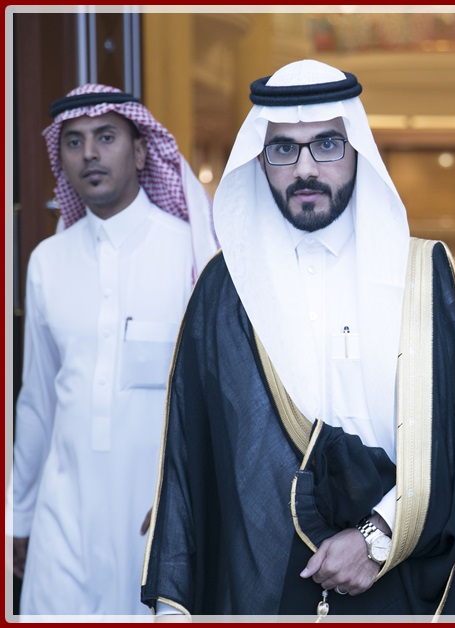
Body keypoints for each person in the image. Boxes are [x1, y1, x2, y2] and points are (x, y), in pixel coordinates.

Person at [140, 59, 455, 617]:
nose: (305, 169)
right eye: (283, 149)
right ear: (259, 160)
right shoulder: (226, 286)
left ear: (357, 149)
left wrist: (376, 538)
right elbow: (191, 454)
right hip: (263, 577)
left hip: (403, 568)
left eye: (327, 145)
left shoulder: (420, 274)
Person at [6, 84, 218, 614]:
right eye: (73, 142)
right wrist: (18, 516)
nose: (89, 154)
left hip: (155, 519)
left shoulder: (193, 254)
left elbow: (218, 400)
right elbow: (38, 400)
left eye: (105, 137)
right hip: (63, 520)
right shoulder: (47, 261)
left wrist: (192, 502)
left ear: (141, 151)